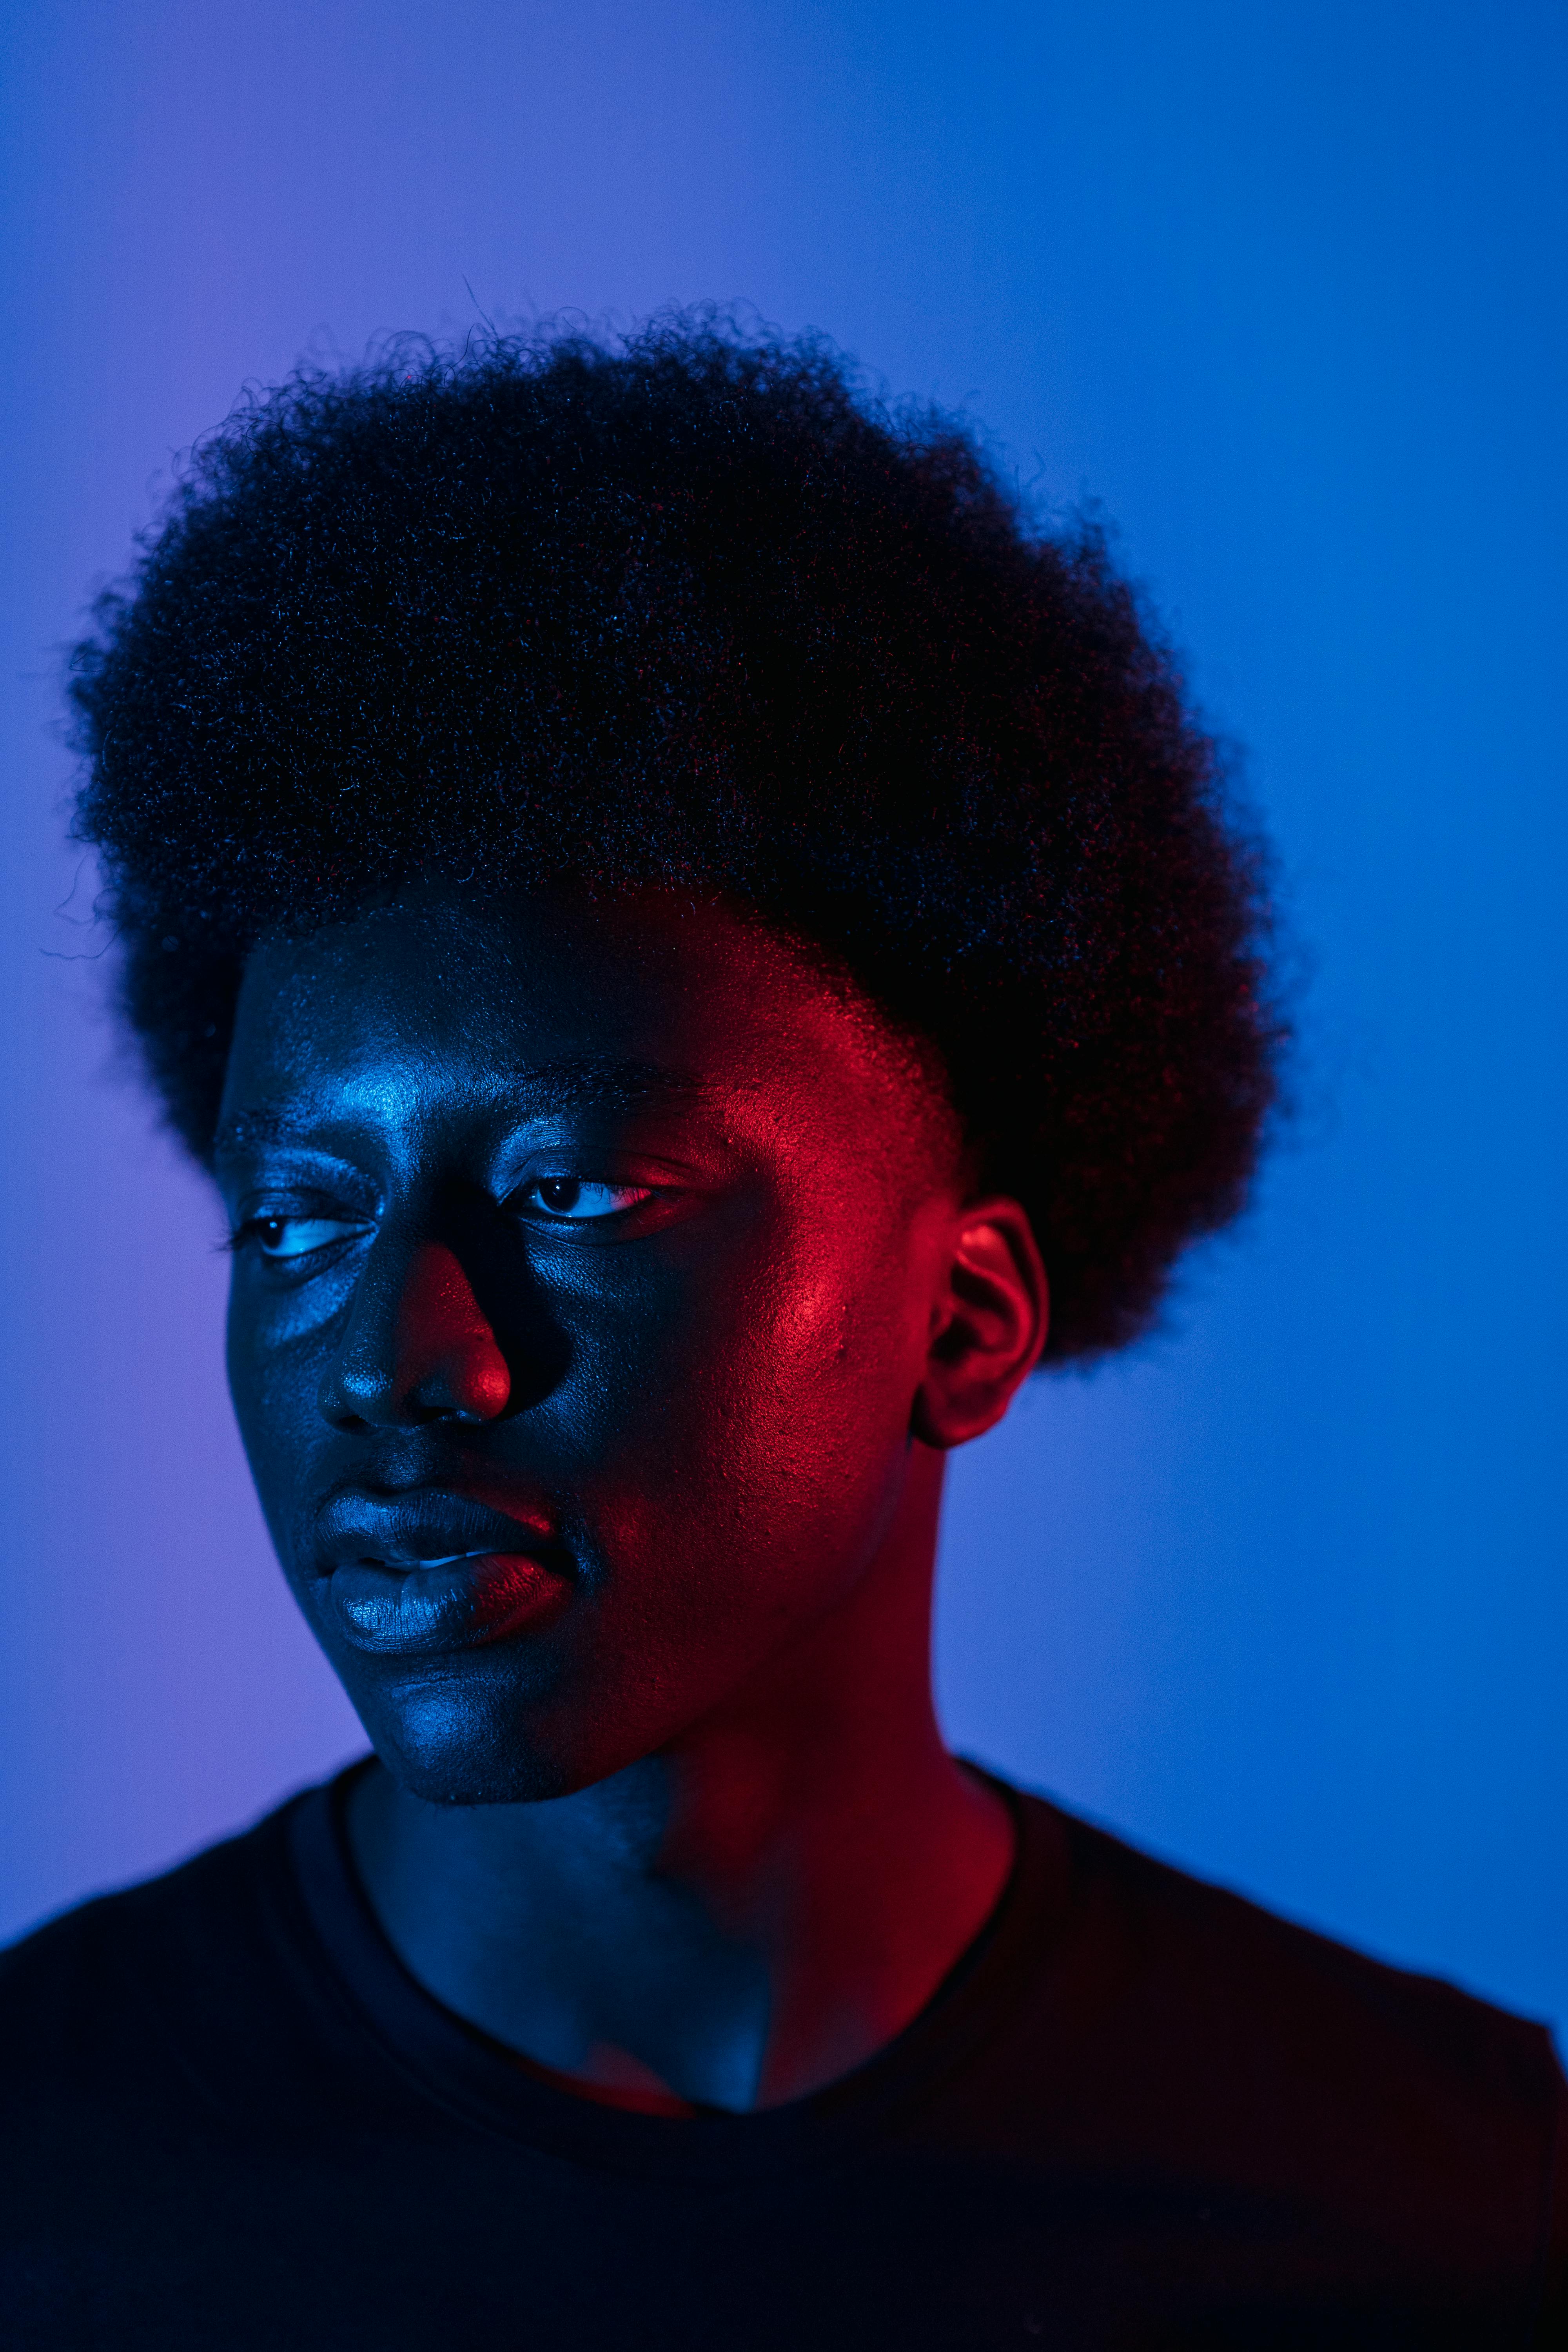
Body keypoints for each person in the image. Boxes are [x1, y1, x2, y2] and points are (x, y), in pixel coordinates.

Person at [3, 319, 1561, 2348]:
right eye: (299, 1217)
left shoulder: (1447, 2214)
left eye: (574, 1194)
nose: (397, 1362)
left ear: (969, 1320)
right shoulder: (44, 2197)